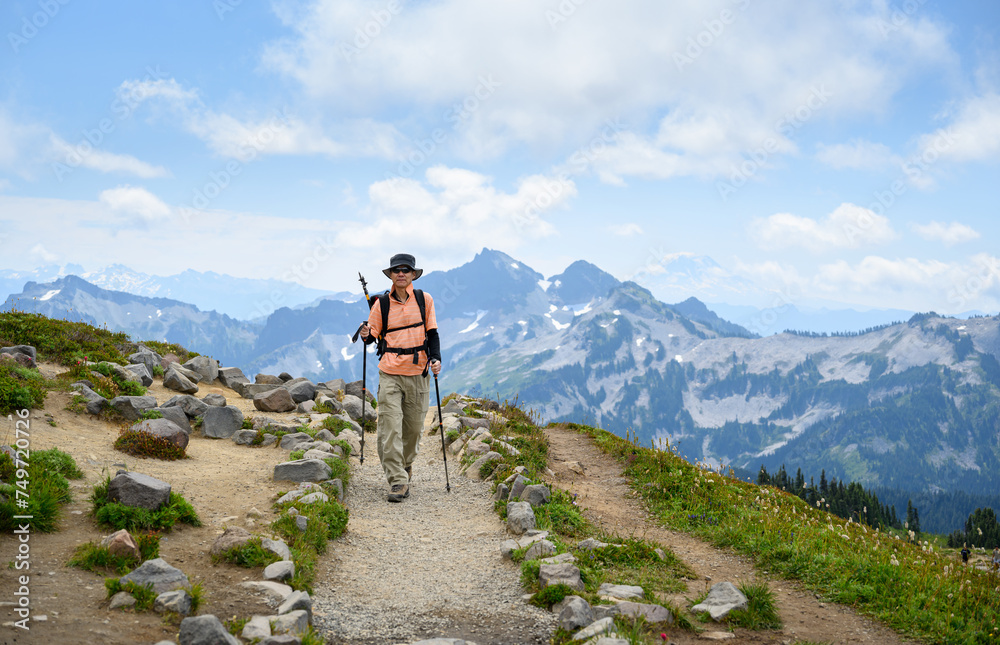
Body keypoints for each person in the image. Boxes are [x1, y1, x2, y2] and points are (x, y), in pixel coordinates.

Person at [359, 253, 442, 503]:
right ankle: (397, 479)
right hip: (390, 373)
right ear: (391, 275)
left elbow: (433, 333)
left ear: (413, 274)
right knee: (390, 427)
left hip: (418, 372)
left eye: (406, 270)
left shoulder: (424, 300)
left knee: (414, 429)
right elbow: (371, 337)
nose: (401, 273)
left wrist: (436, 358)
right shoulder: (381, 304)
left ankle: (405, 464)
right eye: (397, 270)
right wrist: (365, 334)